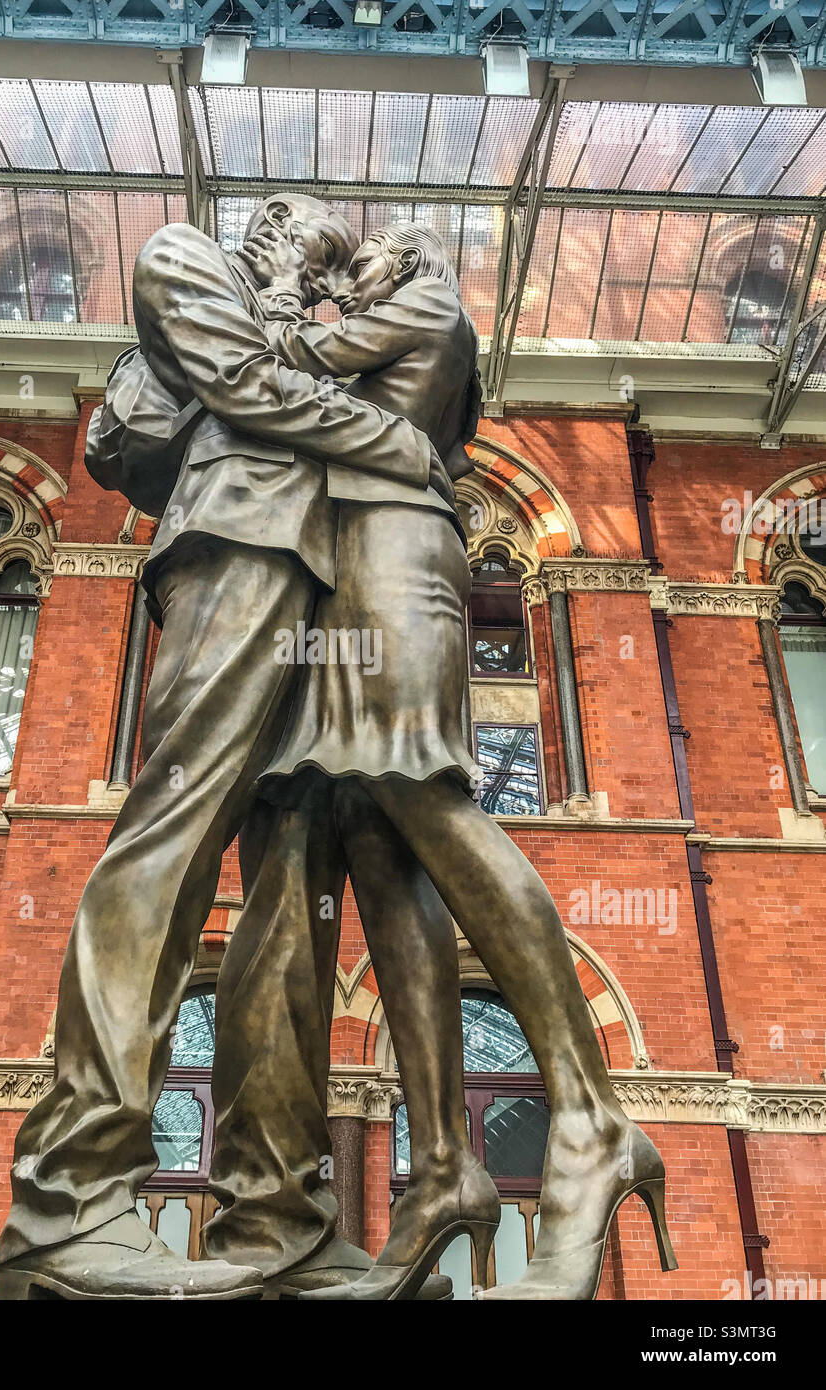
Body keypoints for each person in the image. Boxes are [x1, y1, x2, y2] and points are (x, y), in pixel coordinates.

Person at [206, 222, 677, 1301]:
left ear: (407, 261)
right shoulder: (398, 329)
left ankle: (592, 1116)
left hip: (395, 563)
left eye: (363, 260)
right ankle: (440, 1169)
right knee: (380, 839)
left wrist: (285, 285)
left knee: (426, 799)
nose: (348, 272)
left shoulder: (425, 308)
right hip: (358, 568)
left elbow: (271, 369)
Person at [0, 196, 451, 1301]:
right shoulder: (181, 257)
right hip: (236, 545)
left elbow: (303, 377)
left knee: (297, 890)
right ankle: (68, 1199)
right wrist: (396, 443)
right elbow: (153, 430)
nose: (324, 274)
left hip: (330, 581)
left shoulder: (322, 330)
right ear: (265, 228)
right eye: (312, 248)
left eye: (340, 265)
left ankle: (276, 1217)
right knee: (172, 835)